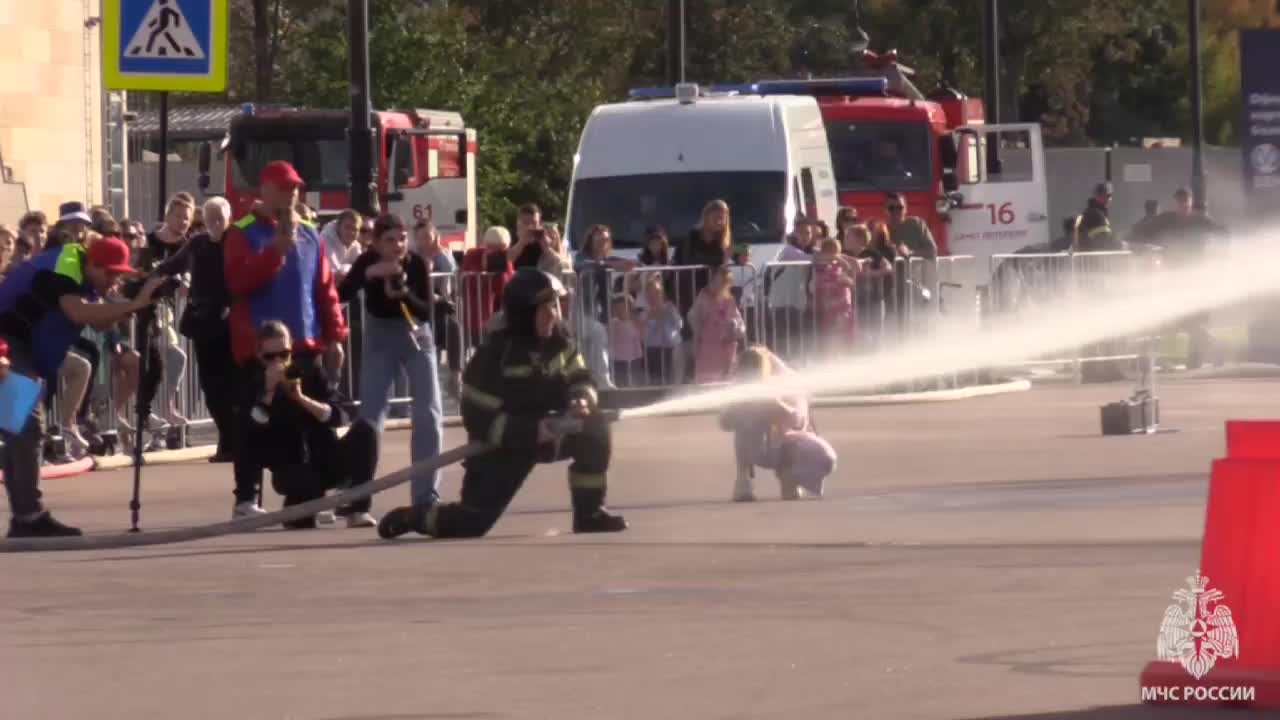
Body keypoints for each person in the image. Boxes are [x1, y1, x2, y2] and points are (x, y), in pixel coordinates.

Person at [377, 268, 627, 540]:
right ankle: (416, 516)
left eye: (554, 305)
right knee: (470, 524)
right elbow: (478, 418)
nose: (553, 314)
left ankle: (589, 514)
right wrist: (532, 431)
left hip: (551, 432)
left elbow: (580, 375)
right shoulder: (492, 358)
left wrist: (581, 397)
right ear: (522, 313)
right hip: (501, 449)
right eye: (543, 308)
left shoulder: (559, 341)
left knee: (594, 427)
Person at [0, 236, 167, 537]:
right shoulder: (63, 268)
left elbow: (102, 322)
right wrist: (136, 302)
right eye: (110, 273)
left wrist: (136, 301)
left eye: (119, 275)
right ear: (92, 264)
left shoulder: (83, 276)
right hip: (7, 346)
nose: (113, 280)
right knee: (25, 427)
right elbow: (78, 312)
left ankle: (26, 516)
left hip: (18, 349)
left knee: (19, 432)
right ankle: (27, 517)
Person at [223, 160, 348, 520]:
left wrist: (334, 334)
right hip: (258, 349)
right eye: (282, 187)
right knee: (254, 422)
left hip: (304, 345)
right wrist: (275, 250)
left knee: (312, 423)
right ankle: (246, 497)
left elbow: (324, 289)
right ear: (263, 190)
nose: (290, 194)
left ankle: (313, 494)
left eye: (294, 188)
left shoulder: (310, 232)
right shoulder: (241, 231)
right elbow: (237, 283)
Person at [338, 213, 443, 510]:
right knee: (371, 416)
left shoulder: (416, 263)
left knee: (428, 413)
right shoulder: (367, 260)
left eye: (402, 238)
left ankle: (425, 496)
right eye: (390, 240)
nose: (398, 246)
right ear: (375, 242)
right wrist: (370, 274)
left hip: (415, 334)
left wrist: (404, 293)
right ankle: (357, 496)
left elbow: (425, 311)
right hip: (380, 334)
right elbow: (342, 293)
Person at [242, 321, 378, 529]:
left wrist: (303, 399)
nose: (279, 362)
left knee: (366, 430)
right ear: (260, 356)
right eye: (271, 357)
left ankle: (357, 507)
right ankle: (296, 509)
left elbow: (340, 415)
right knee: (301, 520)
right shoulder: (253, 381)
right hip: (292, 469)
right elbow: (252, 432)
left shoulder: (309, 372)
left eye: (284, 354)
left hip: (325, 457)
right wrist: (269, 393)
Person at [718, 346, 836, 502]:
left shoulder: (785, 385)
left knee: (818, 456)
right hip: (762, 449)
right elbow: (725, 423)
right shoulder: (740, 390)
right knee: (743, 420)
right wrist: (739, 410)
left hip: (785, 448)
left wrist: (778, 408)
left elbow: (798, 420)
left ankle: (790, 478)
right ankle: (744, 477)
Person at [171, 197, 237, 462]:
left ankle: (236, 441)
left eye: (219, 219)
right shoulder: (197, 244)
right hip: (203, 322)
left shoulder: (237, 241)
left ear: (228, 217)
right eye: (210, 220)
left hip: (231, 322)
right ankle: (227, 439)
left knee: (233, 384)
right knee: (211, 386)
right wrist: (148, 276)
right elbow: (175, 263)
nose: (215, 225)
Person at [689, 265, 745, 383]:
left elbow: (739, 323)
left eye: (721, 283)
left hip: (726, 348)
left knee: (725, 379)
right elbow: (693, 317)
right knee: (706, 378)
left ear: (727, 285)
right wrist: (696, 339)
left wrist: (735, 329)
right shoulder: (703, 297)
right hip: (707, 346)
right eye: (715, 281)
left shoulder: (730, 301)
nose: (717, 286)